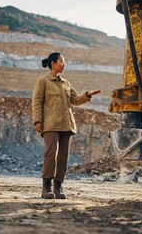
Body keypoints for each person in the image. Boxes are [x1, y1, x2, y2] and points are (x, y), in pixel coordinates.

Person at [32, 52, 101, 199]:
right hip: (50, 124)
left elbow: (75, 100)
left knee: (63, 157)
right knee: (51, 154)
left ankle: (58, 187)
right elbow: (37, 102)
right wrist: (38, 121)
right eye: (61, 62)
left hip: (67, 125)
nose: (64, 64)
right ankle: (46, 188)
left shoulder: (66, 83)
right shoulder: (43, 81)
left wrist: (87, 94)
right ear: (53, 63)